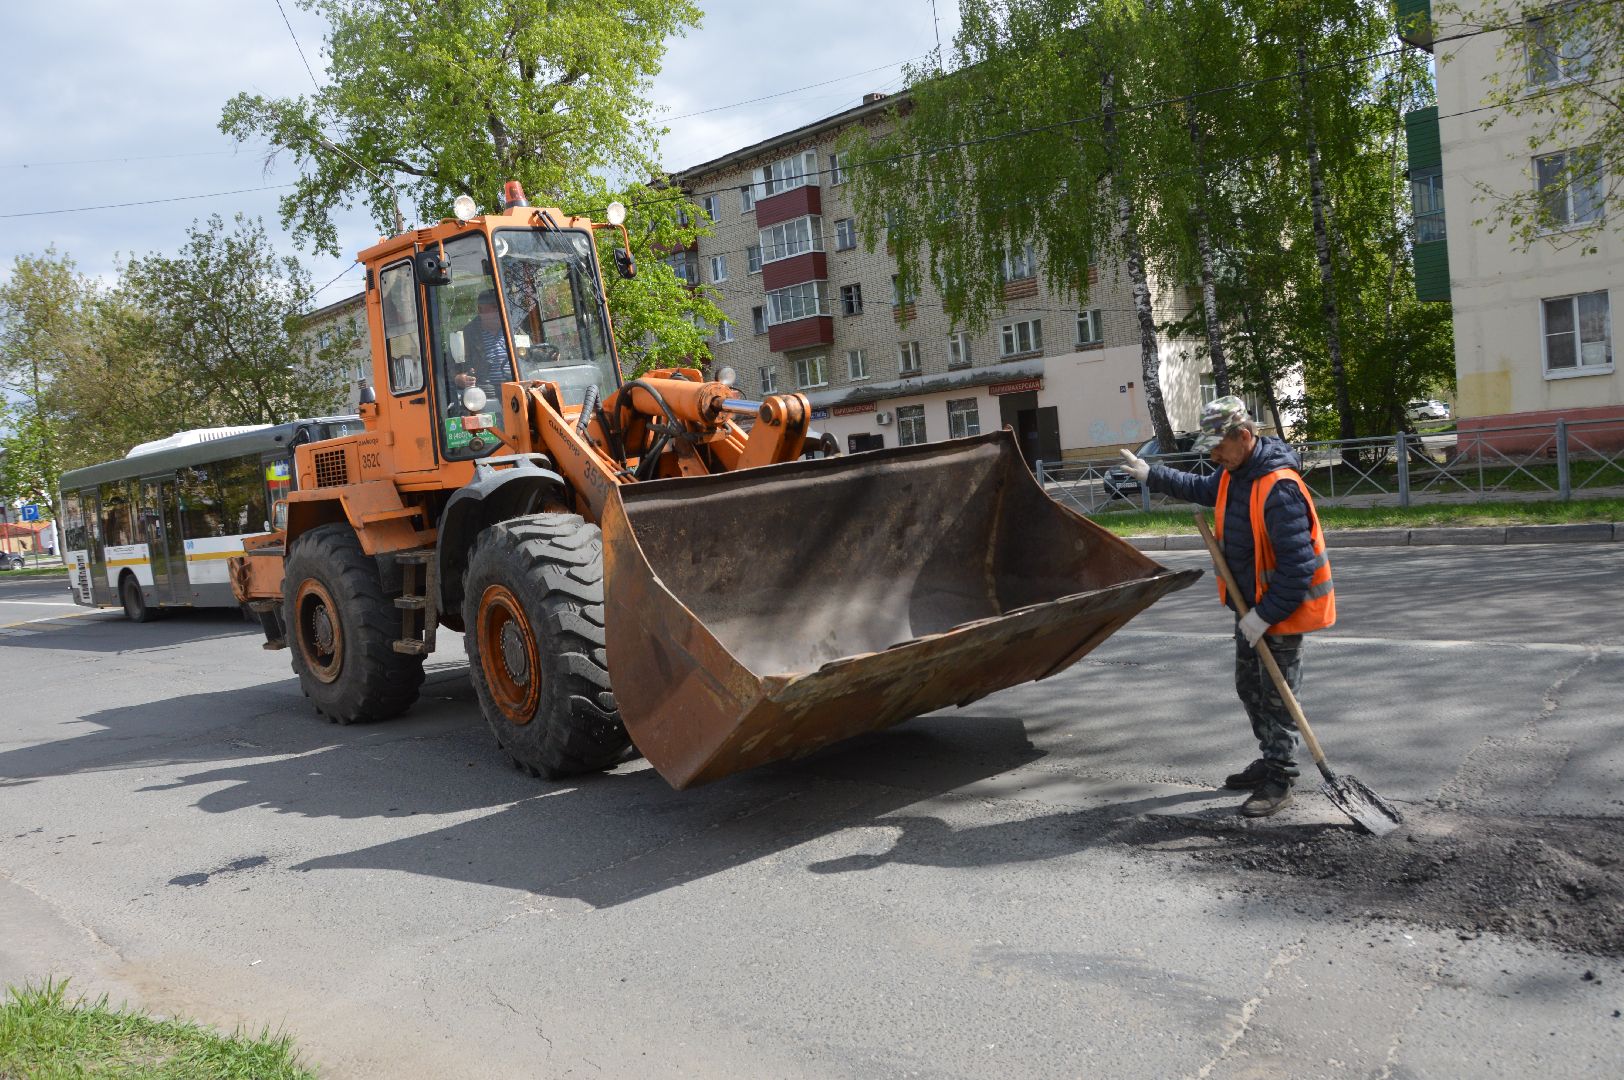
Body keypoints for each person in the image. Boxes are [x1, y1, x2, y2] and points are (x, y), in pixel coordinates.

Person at [1118, 396, 1335, 818]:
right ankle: (1269, 758)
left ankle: (1280, 777)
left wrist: (1264, 616)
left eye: (1219, 445)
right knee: (1250, 688)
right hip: (1250, 608)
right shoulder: (1235, 473)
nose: (1214, 454)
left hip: (1280, 612)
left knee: (1278, 697)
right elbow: (1199, 488)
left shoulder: (1280, 488)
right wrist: (1152, 475)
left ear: (1245, 436)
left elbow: (1299, 569)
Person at [452, 290, 515, 400]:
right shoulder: (468, 334)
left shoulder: (512, 328)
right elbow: (451, 367)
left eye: (500, 307)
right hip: (487, 390)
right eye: (495, 307)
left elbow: (528, 353)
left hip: (516, 383)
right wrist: (459, 378)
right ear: (480, 310)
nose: (499, 311)